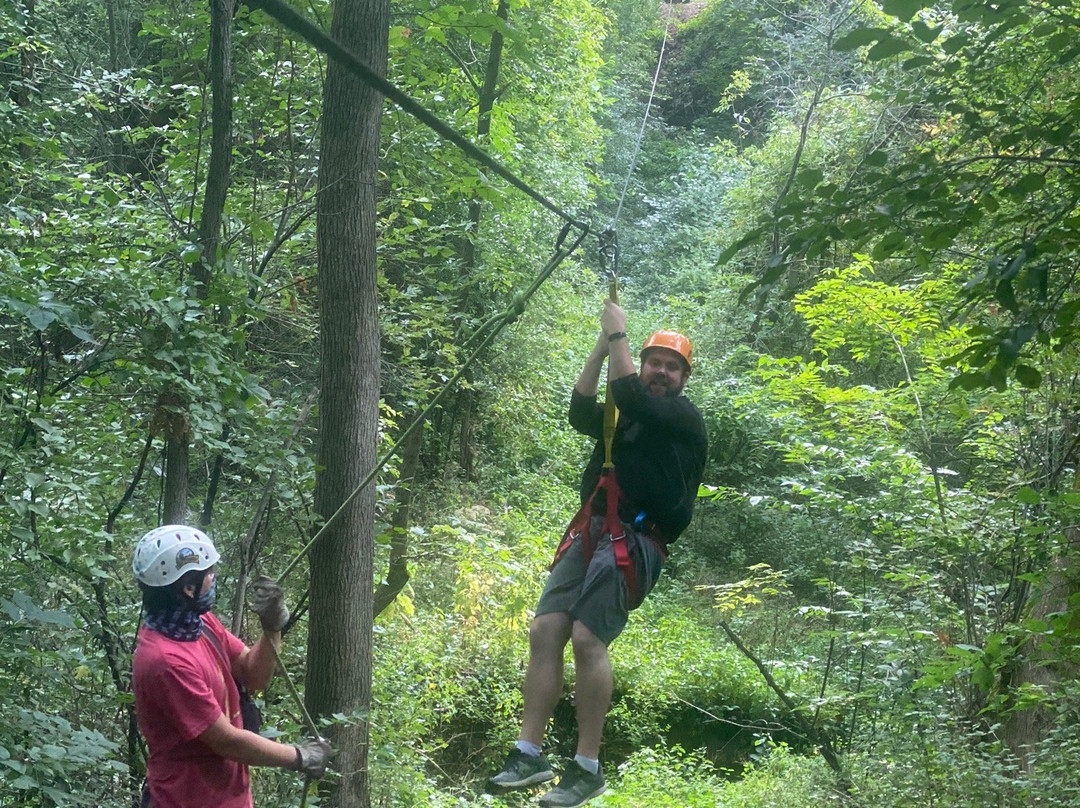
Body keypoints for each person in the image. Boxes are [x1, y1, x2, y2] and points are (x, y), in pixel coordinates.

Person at [489, 300, 708, 808]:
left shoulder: (682, 418)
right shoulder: (625, 416)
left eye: (671, 367)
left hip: (637, 539)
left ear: (683, 379)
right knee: (546, 628)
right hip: (593, 529)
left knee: (588, 636)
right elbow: (580, 408)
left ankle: (587, 767)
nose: (660, 372)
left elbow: (632, 397)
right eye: (655, 362)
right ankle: (529, 753)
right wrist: (601, 344)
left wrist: (620, 337)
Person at [131, 524, 333, 808]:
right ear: (188, 588)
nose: (213, 578)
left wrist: (272, 627)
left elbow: (253, 675)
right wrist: (300, 757)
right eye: (209, 573)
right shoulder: (165, 661)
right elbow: (225, 740)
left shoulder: (199, 624)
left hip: (228, 797)